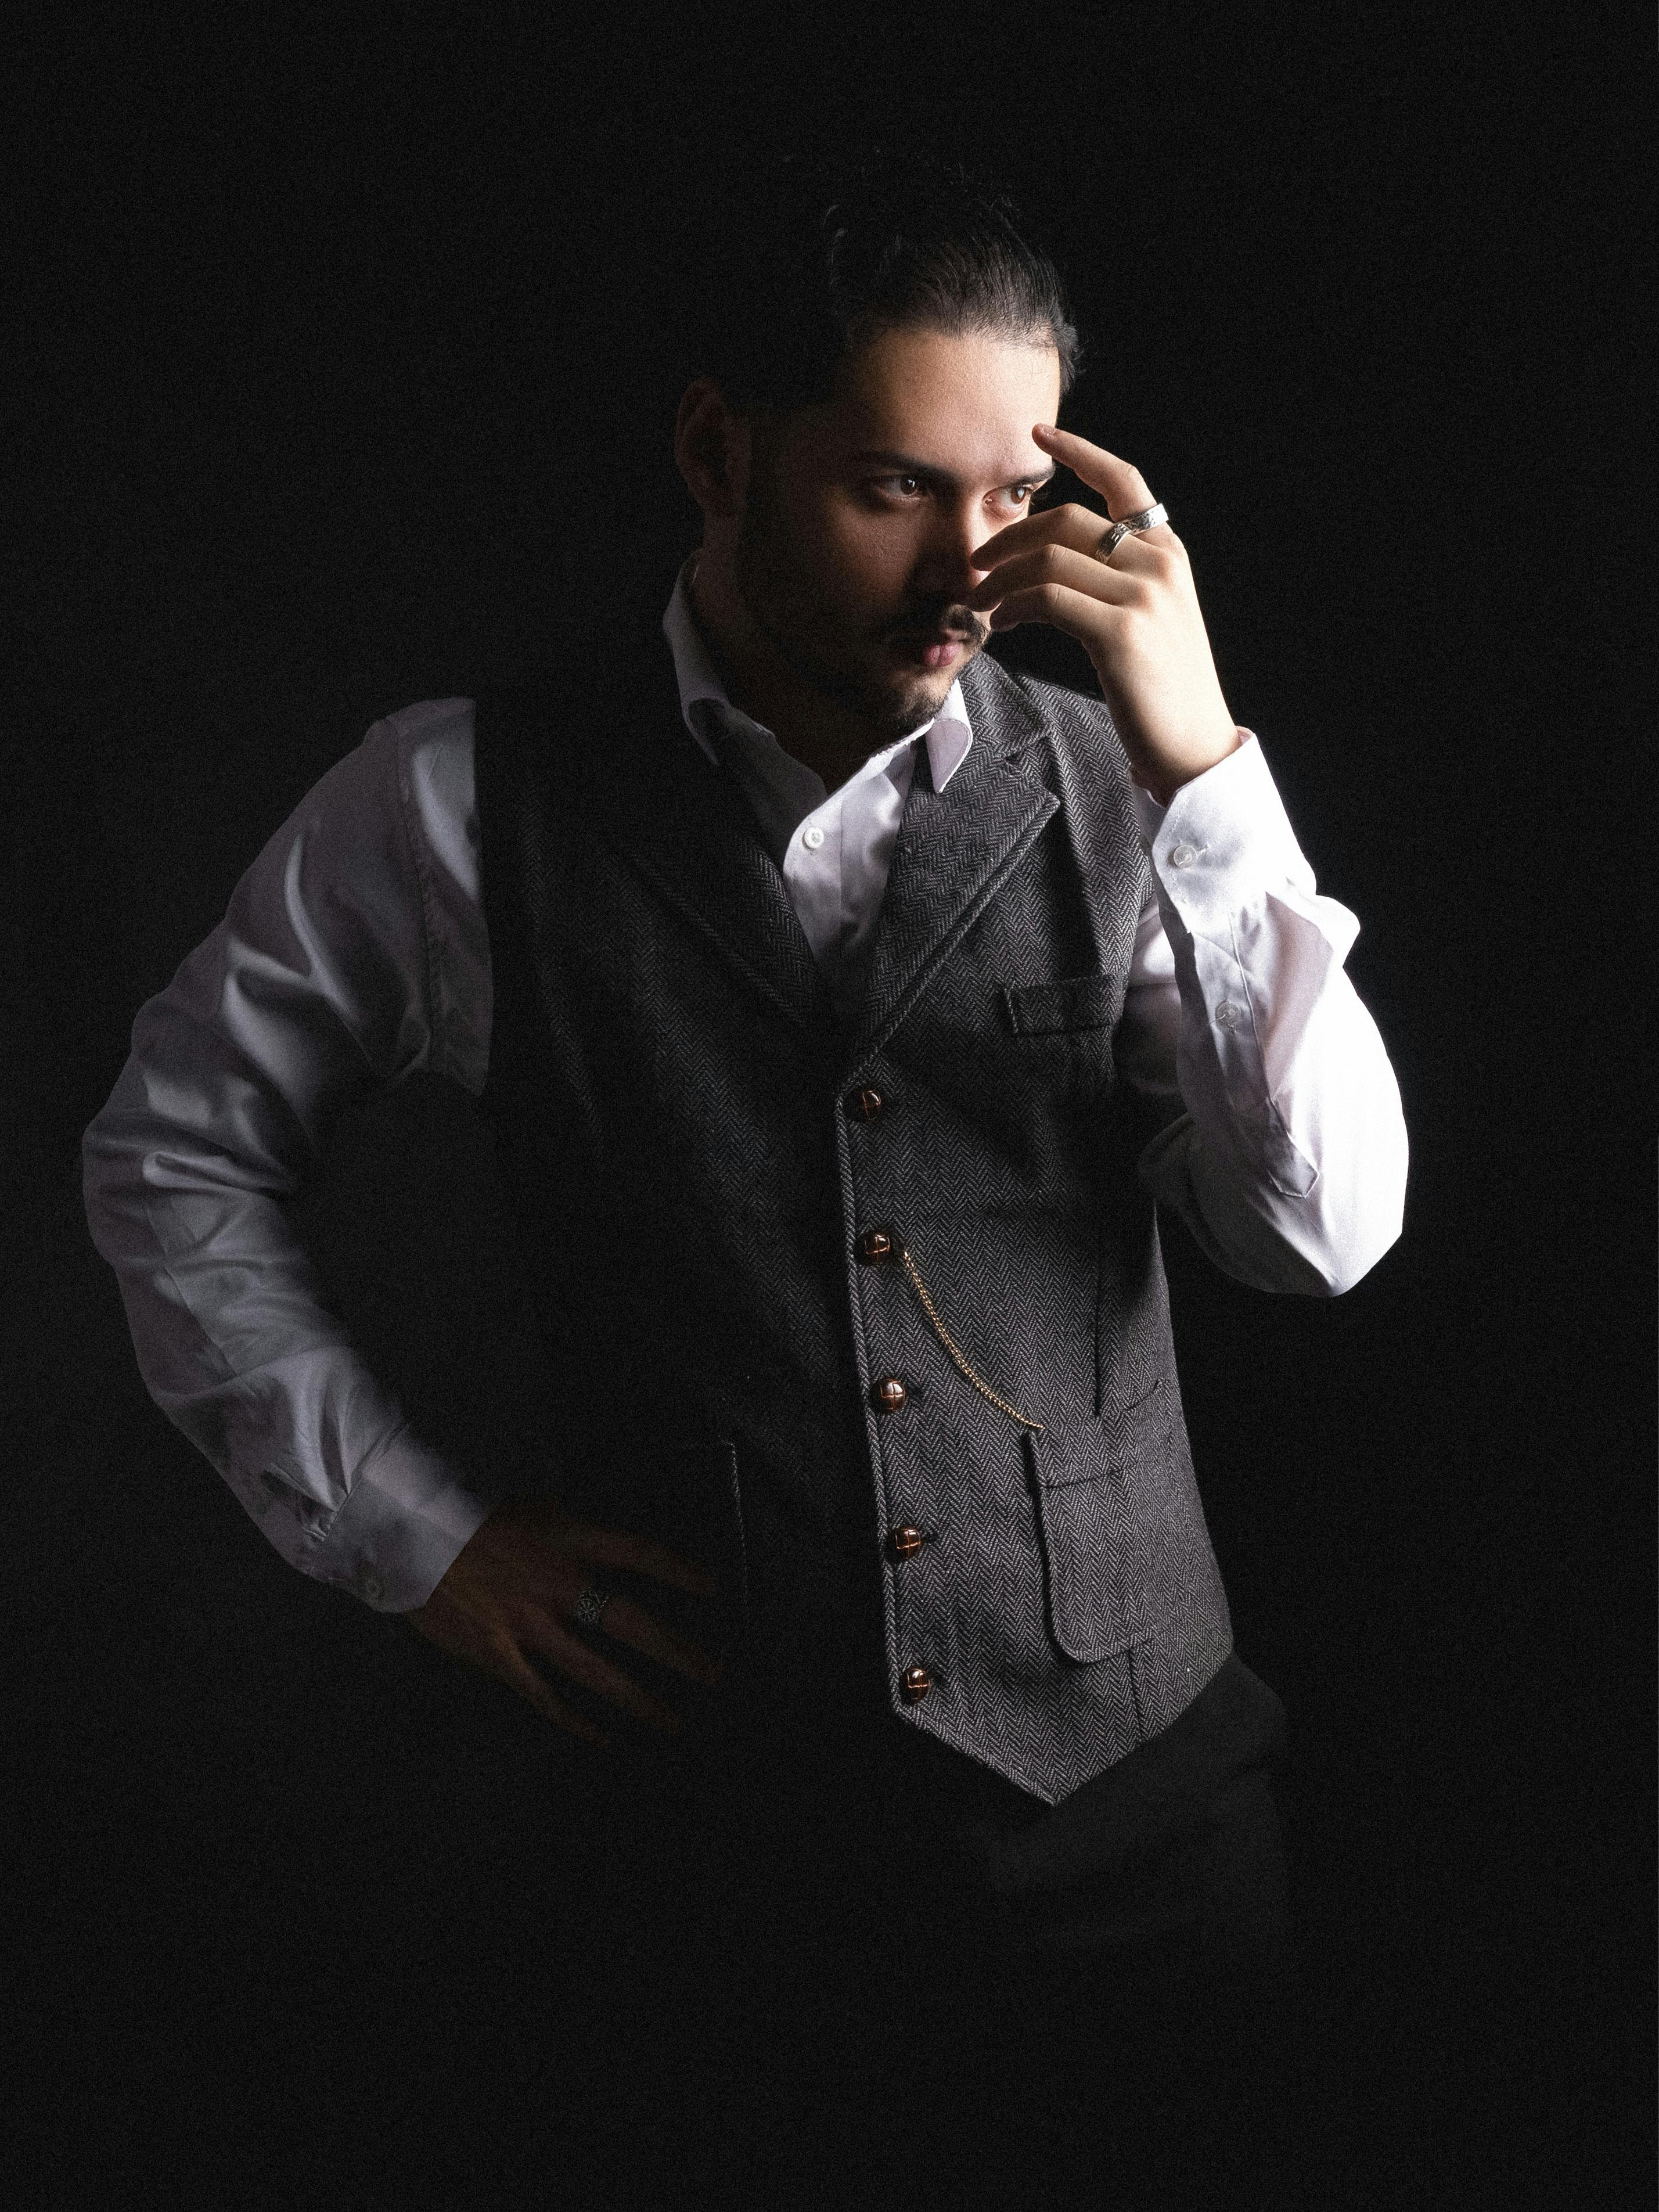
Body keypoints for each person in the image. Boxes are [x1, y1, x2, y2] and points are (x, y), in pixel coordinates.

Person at [84, 146, 1408, 2202]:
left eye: (1014, 500)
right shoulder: (448, 806)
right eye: (893, 487)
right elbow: (173, 1155)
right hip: (709, 1850)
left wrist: (1207, 768)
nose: (970, 568)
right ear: (719, 448)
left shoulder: (1137, 789)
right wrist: (417, 1537)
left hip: (1144, 1829)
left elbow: (1318, 1230)